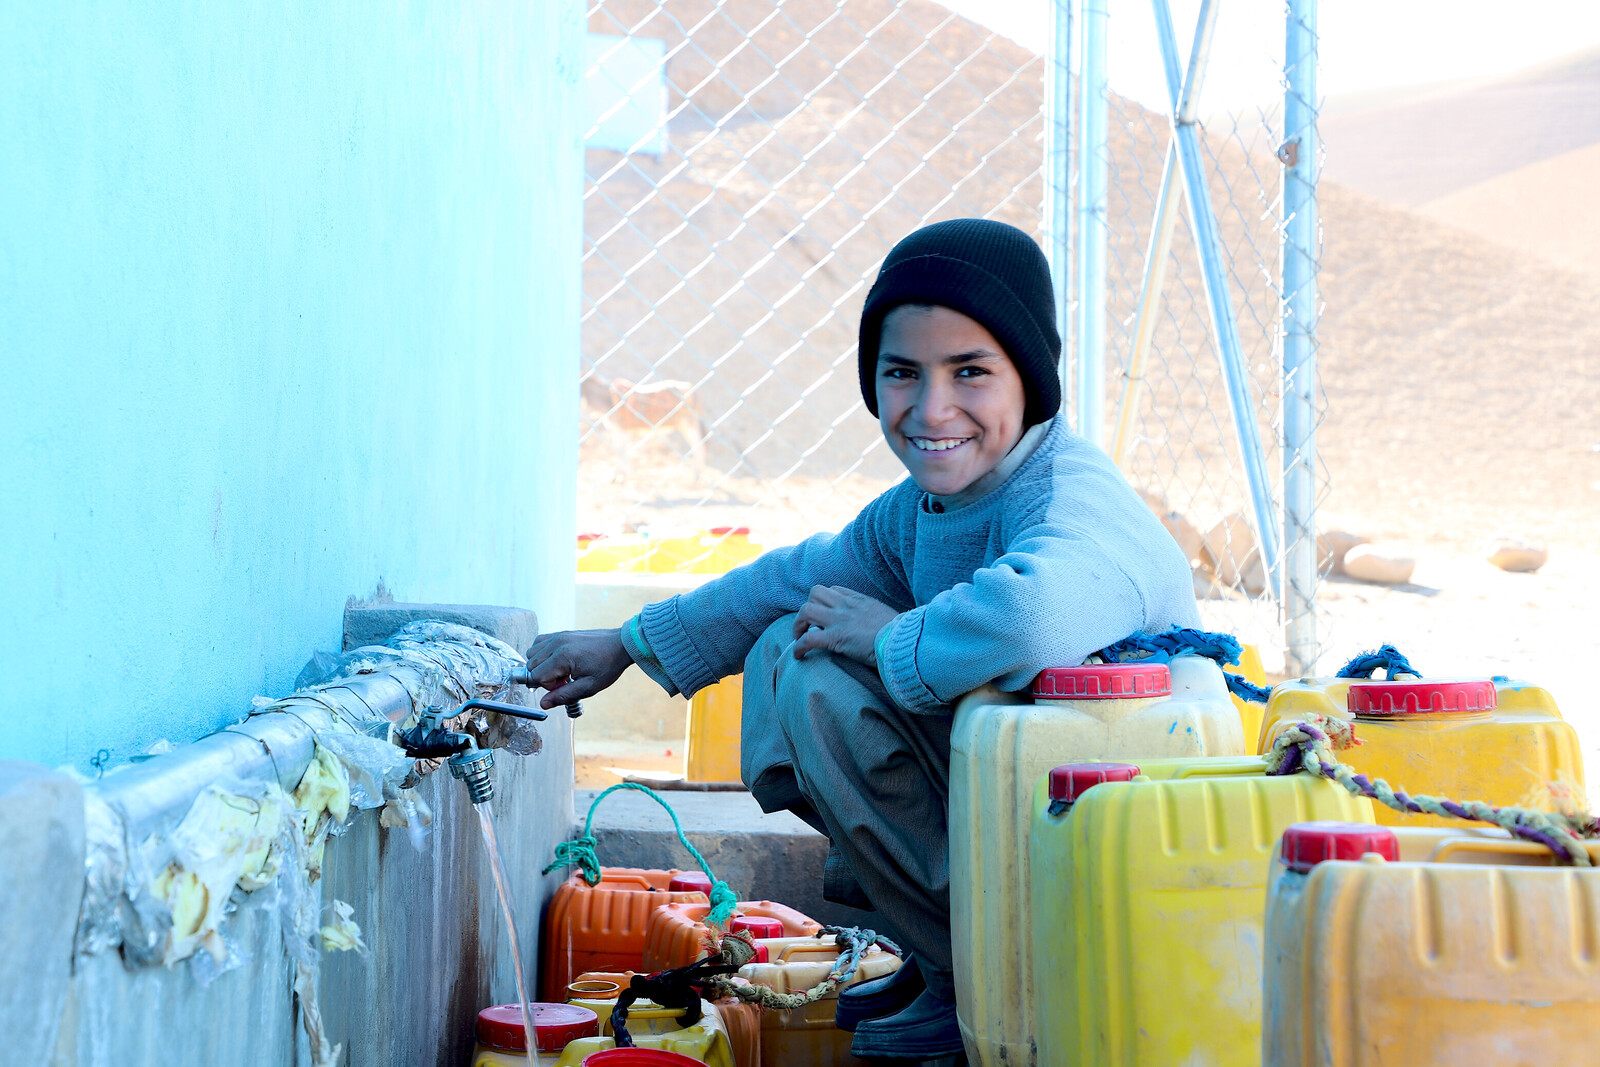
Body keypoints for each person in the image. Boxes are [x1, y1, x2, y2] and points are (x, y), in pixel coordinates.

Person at [523, 218, 1200, 1058]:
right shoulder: (921, 512)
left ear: (1029, 377)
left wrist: (890, 638)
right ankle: (947, 955)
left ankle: (982, 977)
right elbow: (797, 578)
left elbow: (1034, 615)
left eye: (971, 373)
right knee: (788, 644)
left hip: (1118, 851)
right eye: (902, 373)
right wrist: (626, 644)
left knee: (821, 673)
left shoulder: (1067, 494)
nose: (932, 407)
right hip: (1016, 811)